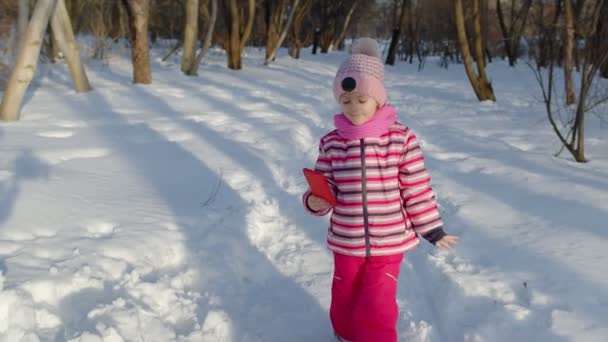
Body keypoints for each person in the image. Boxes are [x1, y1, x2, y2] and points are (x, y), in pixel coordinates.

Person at [302, 38, 459, 342]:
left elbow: (416, 188)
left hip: (388, 242)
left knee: (377, 301)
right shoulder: (332, 141)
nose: (353, 108)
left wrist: (431, 229)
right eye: (345, 101)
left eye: (361, 100)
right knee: (345, 292)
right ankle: (346, 335)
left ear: (378, 98)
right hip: (346, 239)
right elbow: (324, 181)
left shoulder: (400, 139)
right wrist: (315, 200)